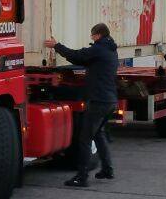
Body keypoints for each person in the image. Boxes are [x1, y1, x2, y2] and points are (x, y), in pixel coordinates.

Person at [45, 22, 119, 187]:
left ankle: (82, 177)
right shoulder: (111, 51)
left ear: (98, 35)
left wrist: (56, 45)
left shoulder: (98, 49)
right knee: (98, 134)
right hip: (110, 100)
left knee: (84, 138)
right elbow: (87, 61)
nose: (91, 38)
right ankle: (107, 169)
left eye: (92, 36)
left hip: (99, 101)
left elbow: (76, 56)